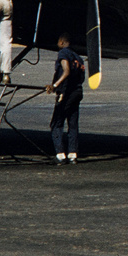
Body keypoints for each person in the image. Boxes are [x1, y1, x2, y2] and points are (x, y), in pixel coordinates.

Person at [46, 34, 86, 165]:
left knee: (56, 123)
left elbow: (66, 71)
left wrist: (55, 86)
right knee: (73, 123)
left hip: (66, 92)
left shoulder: (63, 53)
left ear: (62, 42)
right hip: (77, 91)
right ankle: (73, 155)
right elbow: (81, 77)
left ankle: (60, 155)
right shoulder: (79, 58)